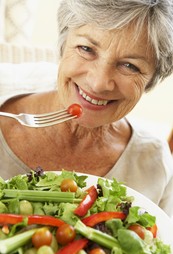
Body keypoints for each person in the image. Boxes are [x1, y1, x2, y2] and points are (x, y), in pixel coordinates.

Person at [0, 0, 173, 217]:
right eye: (86, 49)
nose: (99, 82)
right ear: (63, 44)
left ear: (151, 80)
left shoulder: (154, 163)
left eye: (130, 65)